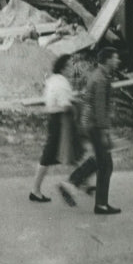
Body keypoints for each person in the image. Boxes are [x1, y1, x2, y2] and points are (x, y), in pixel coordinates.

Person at [60, 47, 121, 215]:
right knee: (106, 165)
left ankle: (73, 183)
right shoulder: (101, 79)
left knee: (100, 160)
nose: (118, 61)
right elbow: (100, 108)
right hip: (95, 126)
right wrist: (103, 131)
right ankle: (98, 203)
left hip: (90, 124)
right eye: (115, 58)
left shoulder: (98, 75)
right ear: (107, 60)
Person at [30, 54, 81, 202]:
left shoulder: (53, 79)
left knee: (61, 151)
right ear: (64, 68)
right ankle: (36, 190)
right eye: (70, 66)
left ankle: (81, 181)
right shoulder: (63, 83)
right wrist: (75, 106)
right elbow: (65, 106)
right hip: (61, 120)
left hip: (54, 119)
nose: (72, 69)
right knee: (56, 152)